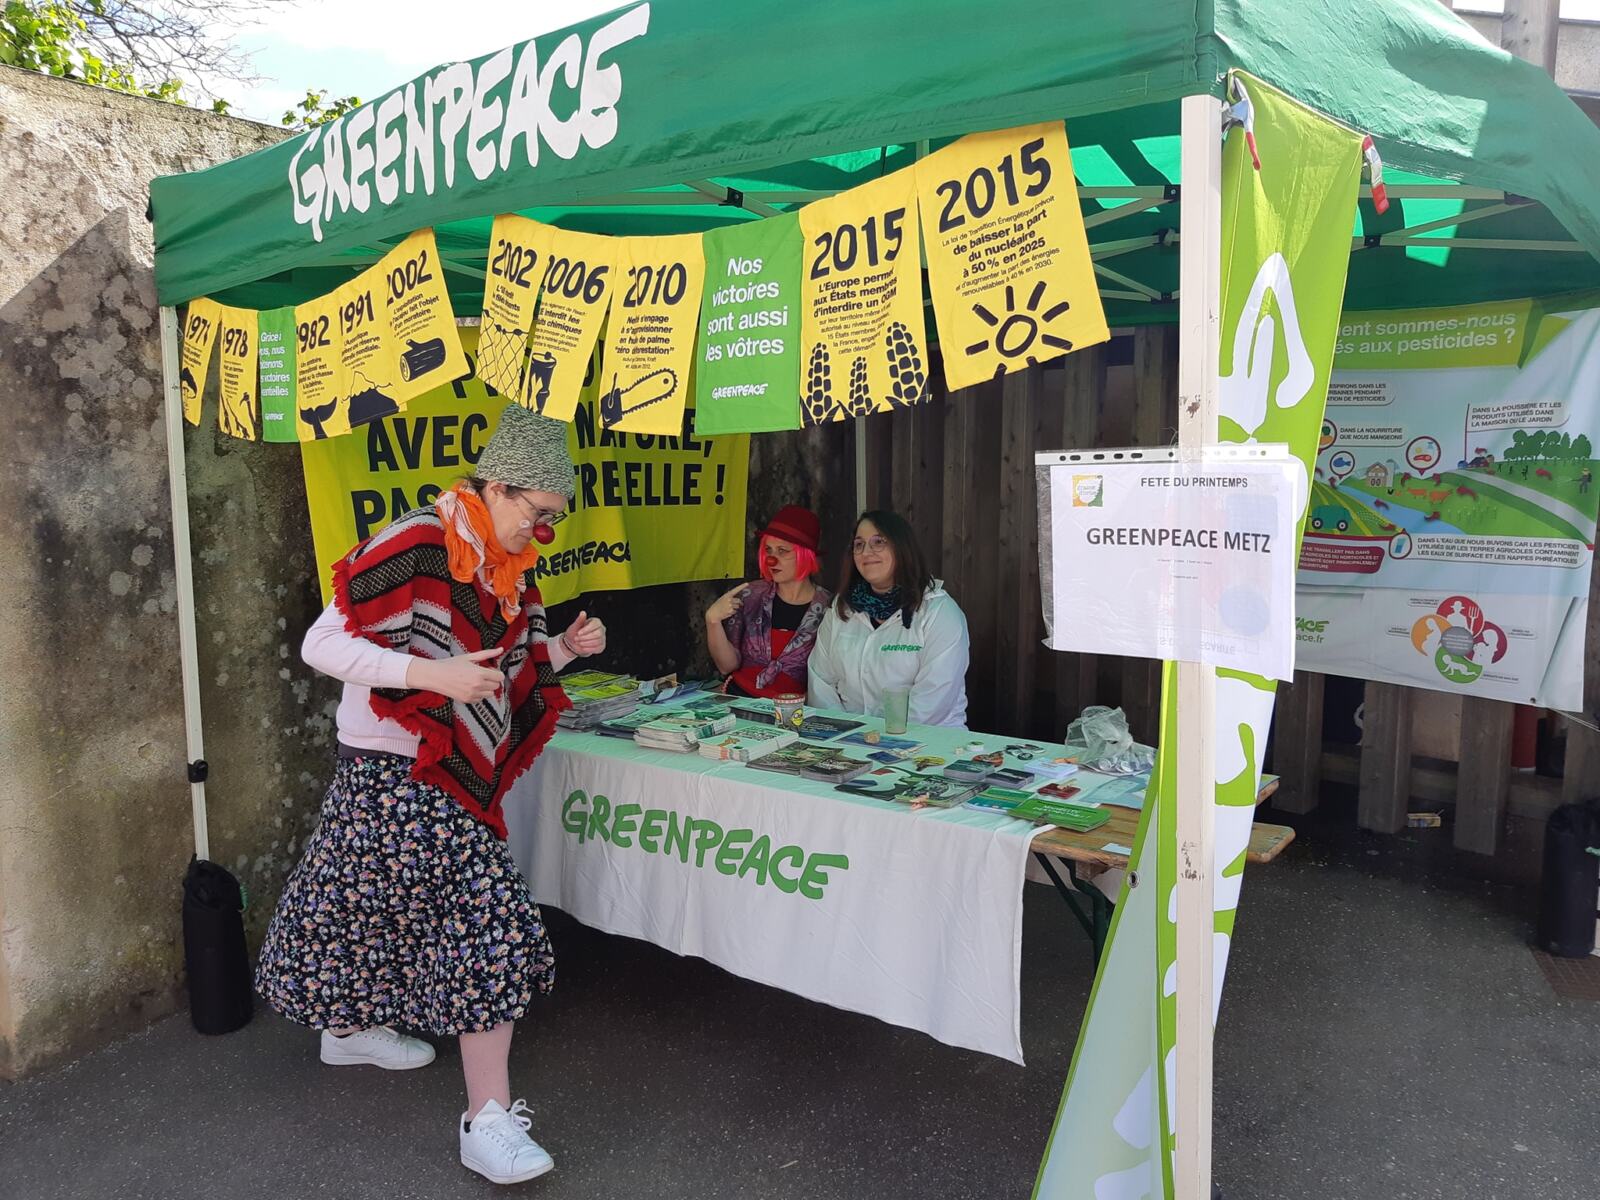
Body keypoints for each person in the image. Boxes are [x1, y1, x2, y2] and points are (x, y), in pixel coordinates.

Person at [256, 405, 605, 1186]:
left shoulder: (500, 568)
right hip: (387, 762)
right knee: (484, 919)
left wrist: (559, 648)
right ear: (499, 487)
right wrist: (429, 674)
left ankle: (345, 1029)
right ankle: (485, 1119)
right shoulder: (418, 538)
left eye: (553, 521)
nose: (540, 534)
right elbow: (322, 644)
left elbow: (497, 665)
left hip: (433, 768)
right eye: (538, 515)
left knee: (363, 901)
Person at [807, 510, 970, 729]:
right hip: (847, 742)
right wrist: (844, 734)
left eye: (879, 542)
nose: (866, 552)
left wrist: (872, 738)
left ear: (901, 548)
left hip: (926, 746)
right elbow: (821, 682)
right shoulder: (841, 608)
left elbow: (930, 704)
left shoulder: (940, 612)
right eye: (859, 544)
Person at [705, 505, 832, 699]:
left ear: (805, 555)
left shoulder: (829, 608)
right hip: (737, 699)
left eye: (782, 551)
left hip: (791, 712)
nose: (772, 559)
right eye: (768, 550)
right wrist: (712, 621)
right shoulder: (750, 595)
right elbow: (727, 665)